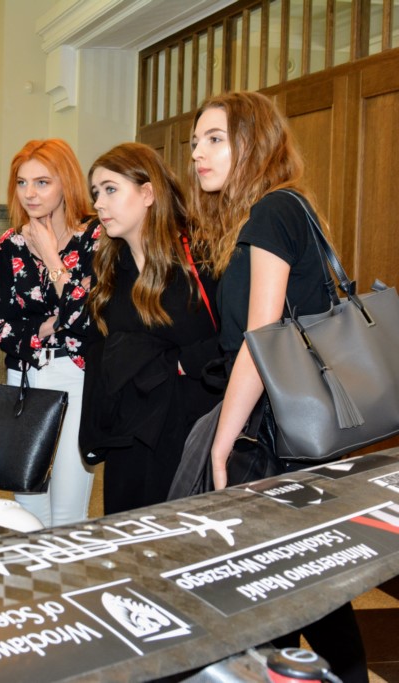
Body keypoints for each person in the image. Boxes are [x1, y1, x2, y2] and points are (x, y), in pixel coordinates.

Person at [190, 91, 367, 682]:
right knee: (306, 578)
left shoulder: (270, 212)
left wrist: (222, 441)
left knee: (284, 581)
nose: (198, 154)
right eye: (195, 142)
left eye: (216, 139)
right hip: (299, 426)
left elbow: (260, 338)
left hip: (275, 431)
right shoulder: (289, 208)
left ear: (254, 144)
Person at [79, 142, 220, 514]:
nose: (99, 203)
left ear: (147, 193)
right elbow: (98, 349)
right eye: (96, 193)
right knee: (129, 536)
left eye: (110, 189)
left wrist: (179, 364)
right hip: (131, 438)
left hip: (192, 430)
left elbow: (238, 337)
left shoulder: (199, 257)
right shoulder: (110, 269)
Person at [0, 139, 99, 528]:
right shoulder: (10, 243)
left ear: (65, 183)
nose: (30, 194)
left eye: (42, 182)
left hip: (76, 374)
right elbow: (1, 327)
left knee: (68, 512)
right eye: (22, 183)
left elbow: (88, 320)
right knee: (28, 503)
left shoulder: (95, 237)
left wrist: (52, 257)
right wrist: (55, 322)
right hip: (24, 374)